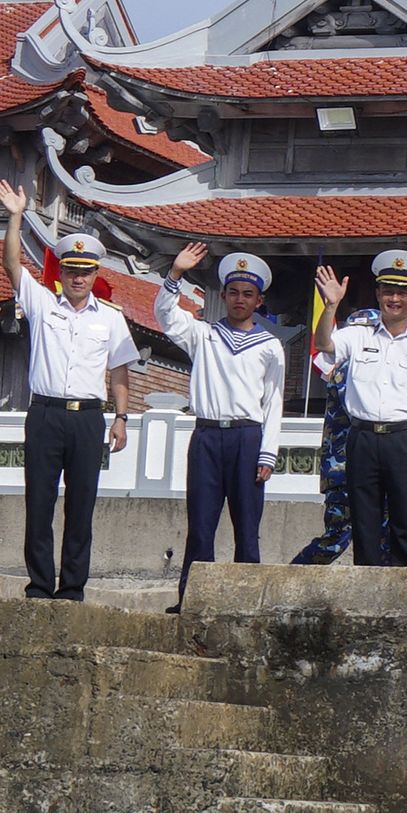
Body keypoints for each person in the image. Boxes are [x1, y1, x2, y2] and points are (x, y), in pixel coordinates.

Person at [0, 180, 139, 601]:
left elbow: (119, 374)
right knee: (38, 505)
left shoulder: (110, 319)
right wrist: (16, 215)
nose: (78, 278)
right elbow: (10, 265)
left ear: (96, 274)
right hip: (45, 415)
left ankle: (72, 588)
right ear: (62, 272)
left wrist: (121, 419)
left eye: (86, 271)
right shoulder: (41, 303)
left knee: (81, 509)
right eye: (71, 270)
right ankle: (40, 586)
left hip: (88, 419)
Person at [157, 243, 286, 610]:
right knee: (200, 527)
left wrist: (268, 453)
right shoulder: (203, 335)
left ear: (259, 301)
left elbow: (273, 402)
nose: (240, 300)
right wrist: (176, 273)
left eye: (248, 294)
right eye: (233, 292)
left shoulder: (270, 346)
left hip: (248, 437)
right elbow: (165, 315)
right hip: (207, 436)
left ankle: (247, 604)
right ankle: (194, 601)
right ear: (224, 295)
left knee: (246, 528)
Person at [311, 250, 407, 567]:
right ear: (378, 294)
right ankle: (368, 595)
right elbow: (323, 345)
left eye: (402, 292)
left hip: (403, 440)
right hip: (362, 439)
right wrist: (331, 305)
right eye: (388, 291)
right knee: (365, 521)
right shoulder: (357, 335)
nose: (394, 299)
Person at [290, 308, 392, 566]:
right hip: (344, 470)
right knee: (337, 538)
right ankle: (292, 579)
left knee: (381, 539)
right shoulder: (347, 369)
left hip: (369, 466)